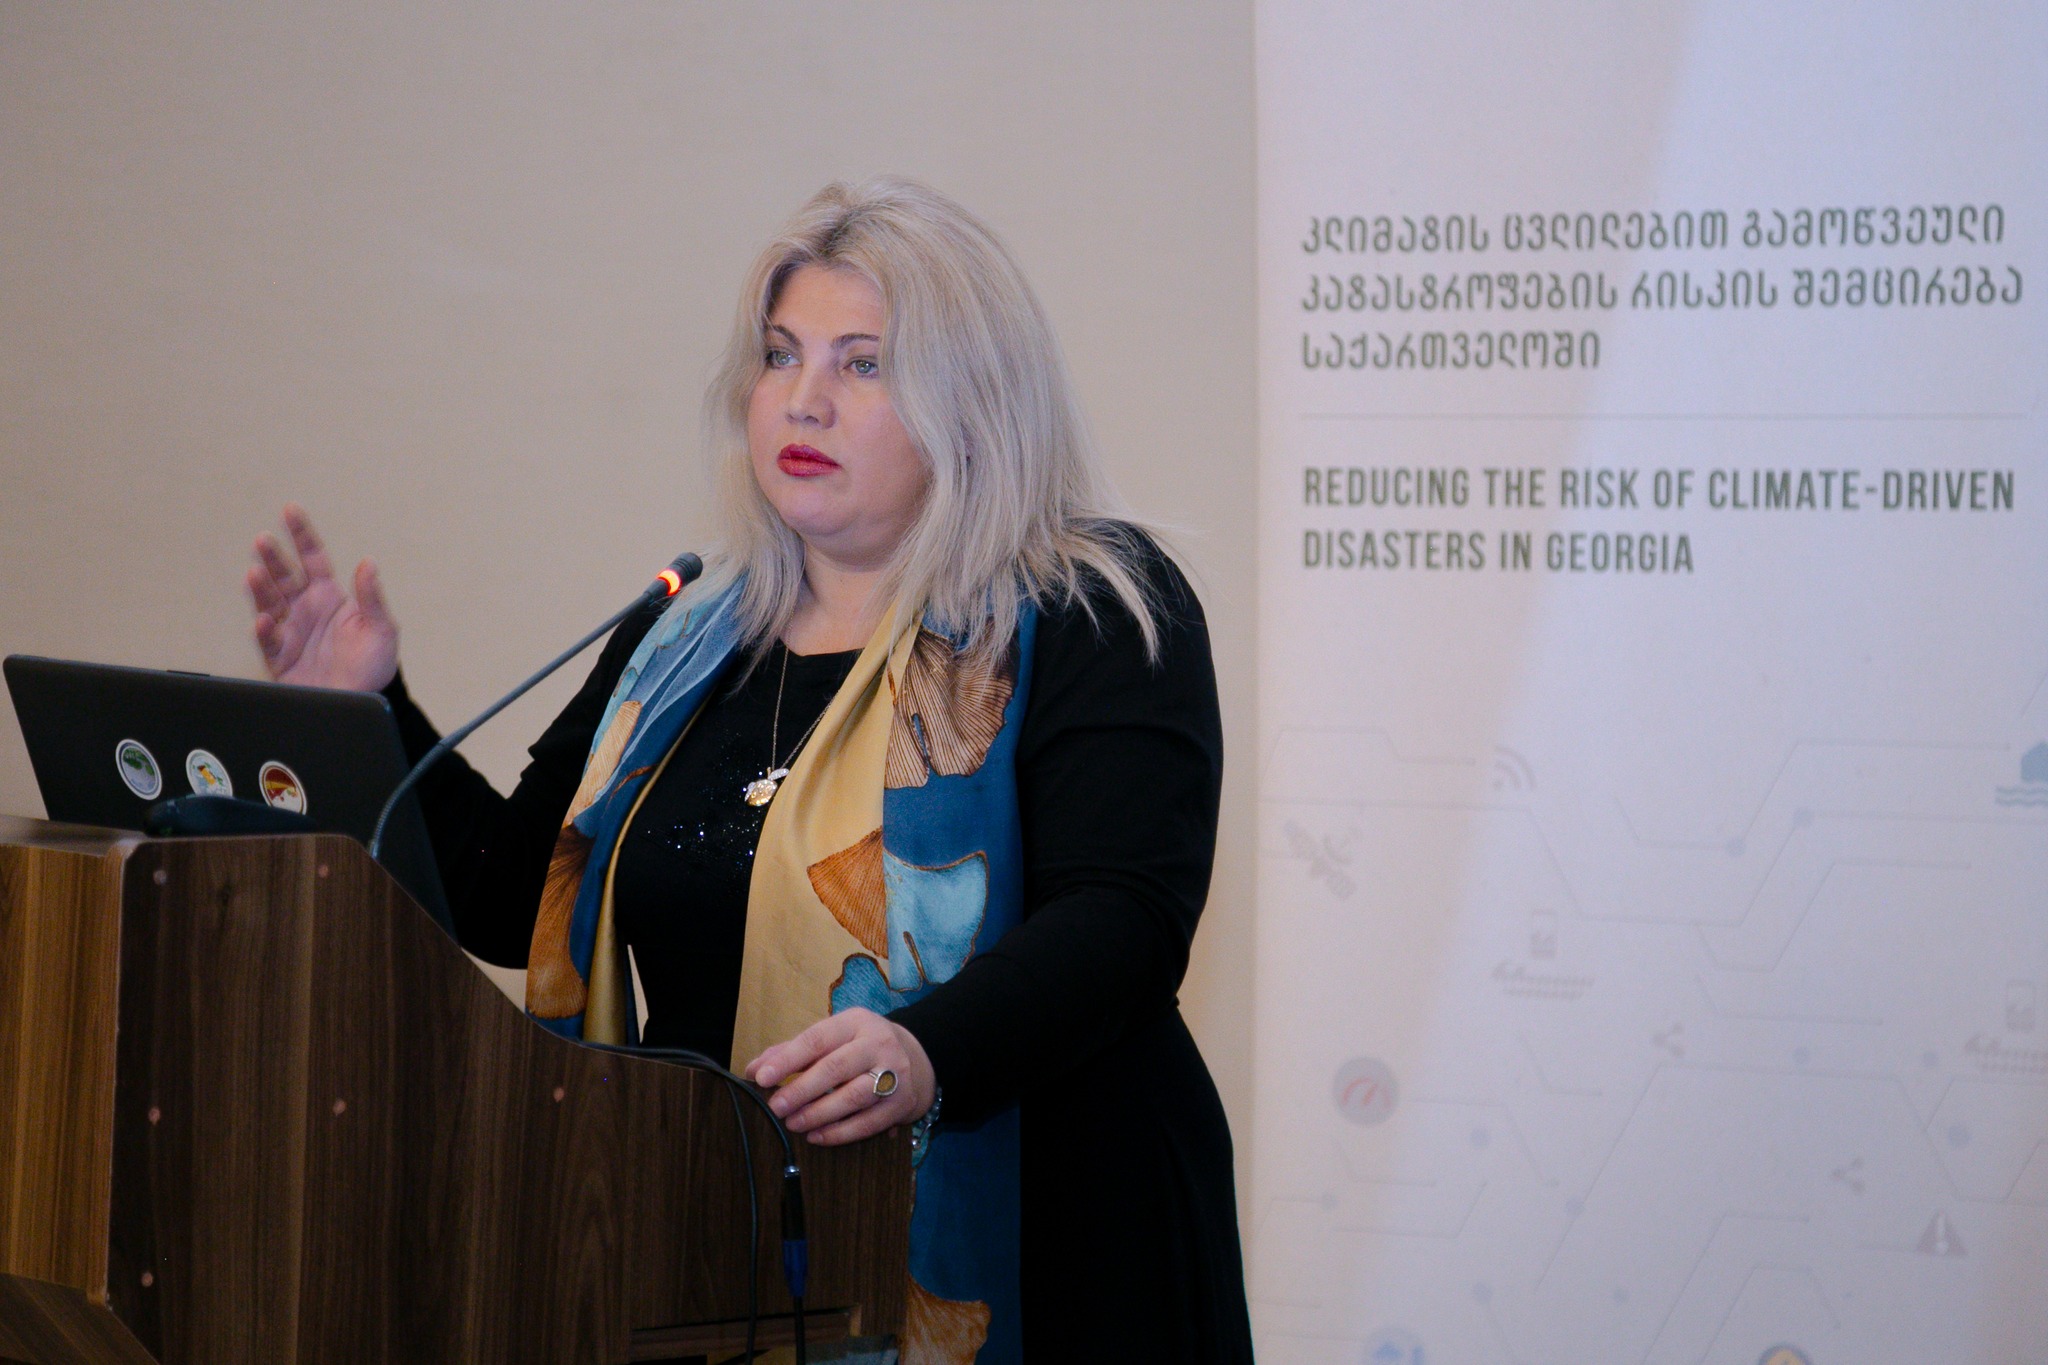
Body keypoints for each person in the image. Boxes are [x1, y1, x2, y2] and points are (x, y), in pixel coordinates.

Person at [244, 177, 1253, 1364]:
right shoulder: (682, 642)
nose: (803, 399)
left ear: (975, 404)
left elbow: (1123, 918)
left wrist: (928, 1049)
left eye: (863, 364)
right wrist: (370, 713)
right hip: (725, 1259)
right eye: (780, 355)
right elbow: (511, 896)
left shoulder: (1084, 606)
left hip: (1061, 1245)